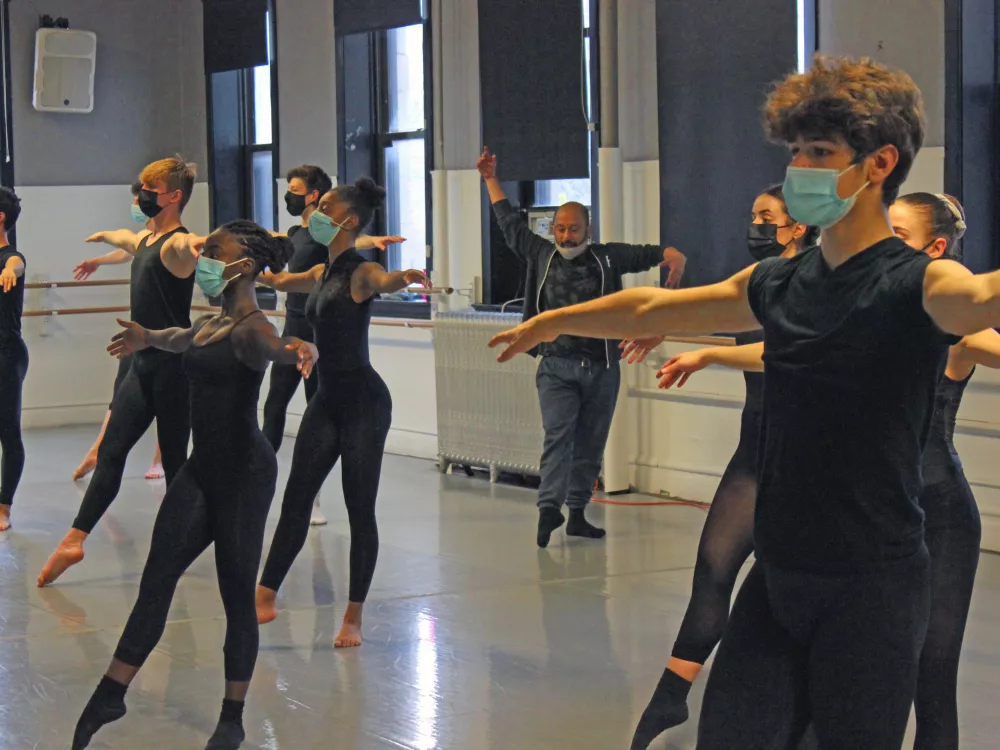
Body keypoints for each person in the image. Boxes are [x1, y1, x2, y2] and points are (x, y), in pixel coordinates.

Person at [489, 55, 1000, 747]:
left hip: (874, 585)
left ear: (879, 164)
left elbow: (982, 297)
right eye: (795, 152)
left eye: (819, 153)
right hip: (780, 573)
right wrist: (551, 321)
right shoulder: (779, 281)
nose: (799, 170)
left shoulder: (919, 283)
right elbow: (651, 307)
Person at [71, 220, 318, 750]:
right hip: (201, 471)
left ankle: (232, 717)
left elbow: (279, 345)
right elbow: (180, 338)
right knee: (156, 579)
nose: (204, 258)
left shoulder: (252, 328)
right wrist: (146, 337)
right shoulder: (211, 323)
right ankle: (112, 692)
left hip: (244, 476)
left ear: (243, 266)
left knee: (236, 595)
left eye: (214, 251)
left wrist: (301, 347)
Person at [623, 185, 818, 748]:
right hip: (754, 452)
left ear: (798, 226)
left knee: (792, 596)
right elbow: (707, 307)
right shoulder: (757, 279)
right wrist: (667, 328)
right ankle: (671, 694)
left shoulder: (819, 283)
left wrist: (711, 353)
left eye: (766, 216)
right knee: (712, 571)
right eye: (752, 214)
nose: (754, 224)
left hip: (807, 461)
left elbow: (783, 351)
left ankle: (804, 712)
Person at [477, 146, 689, 547]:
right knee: (559, 436)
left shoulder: (607, 258)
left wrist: (673, 255)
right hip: (556, 367)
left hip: (602, 368)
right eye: (559, 228)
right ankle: (548, 509)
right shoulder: (541, 255)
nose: (565, 236)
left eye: (573, 229)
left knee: (591, 442)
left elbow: (650, 254)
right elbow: (509, 223)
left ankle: (577, 514)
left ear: (588, 230)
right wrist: (490, 179)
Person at [254, 177, 427, 648]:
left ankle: (353, 616)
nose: (316, 212)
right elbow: (280, 282)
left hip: (364, 404)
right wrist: (249, 271)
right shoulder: (320, 271)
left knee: (359, 507)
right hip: (327, 400)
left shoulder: (361, 271)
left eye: (326, 206)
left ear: (348, 220)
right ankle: (264, 595)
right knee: (295, 498)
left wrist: (405, 277)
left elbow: (385, 281)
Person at [39, 157, 201, 587]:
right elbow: (125, 237)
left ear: (174, 196)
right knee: (111, 453)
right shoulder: (145, 238)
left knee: (175, 462)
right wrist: (102, 239)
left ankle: (178, 543)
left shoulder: (177, 244)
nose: (142, 195)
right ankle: (74, 539)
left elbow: (192, 244)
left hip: (173, 369)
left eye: (151, 189)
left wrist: (208, 245)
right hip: (140, 366)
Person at [262, 164, 403, 527]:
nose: (289, 195)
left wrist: (396, 269)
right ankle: (257, 479)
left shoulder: (349, 260)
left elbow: (368, 262)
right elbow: (282, 277)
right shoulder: (301, 240)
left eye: (296, 190)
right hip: (295, 331)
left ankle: (314, 499)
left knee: (359, 505)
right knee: (274, 406)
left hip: (328, 351)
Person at [72, 180, 163, 482]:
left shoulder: (170, 238)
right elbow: (126, 250)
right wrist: (98, 260)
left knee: (167, 398)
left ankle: (160, 460)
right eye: (135, 200)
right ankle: (98, 449)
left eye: (139, 200)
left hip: (165, 329)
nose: (136, 205)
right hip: (138, 328)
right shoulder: (144, 236)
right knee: (121, 390)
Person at [0, 187, 26, 532]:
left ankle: (3, 507)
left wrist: (9, 270)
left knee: (8, 432)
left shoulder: (11, 256)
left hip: (6, 355)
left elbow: (16, 264)